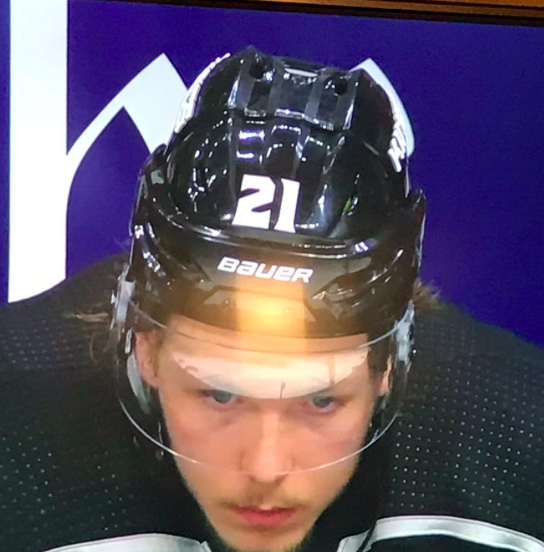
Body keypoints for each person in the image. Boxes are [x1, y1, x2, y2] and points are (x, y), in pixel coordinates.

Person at [1, 47, 543, 552]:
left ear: (388, 368)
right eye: (218, 395)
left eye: (321, 401)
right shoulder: (15, 417)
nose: (264, 468)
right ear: (144, 347)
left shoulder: (515, 435)